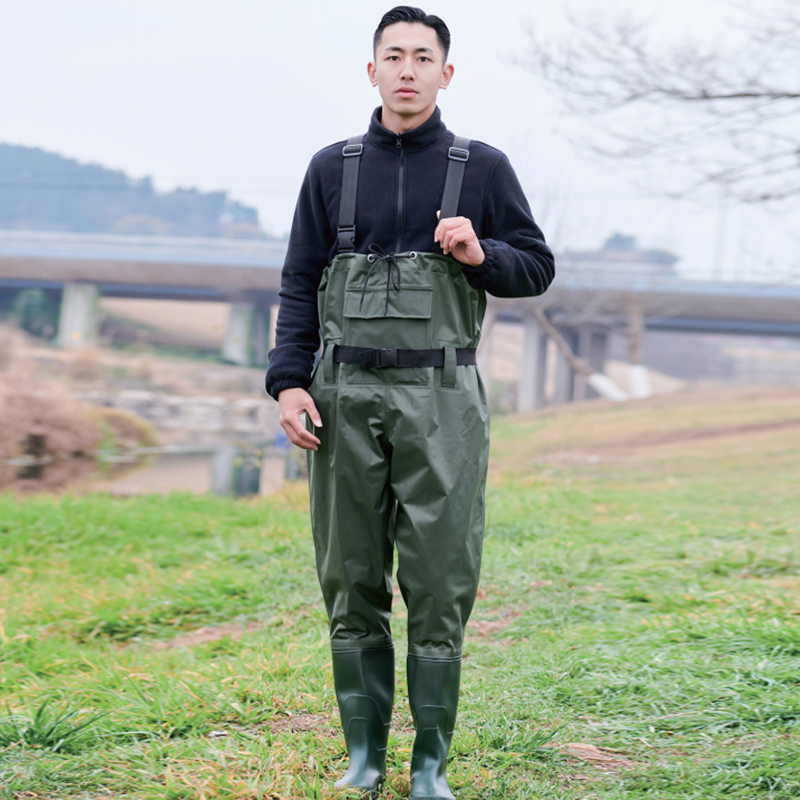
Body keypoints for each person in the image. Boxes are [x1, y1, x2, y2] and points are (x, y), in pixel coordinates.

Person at [265, 7, 554, 797]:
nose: (407, 69)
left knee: (439, 577)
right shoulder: (331, 168)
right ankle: (364, 758)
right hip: (343, 393)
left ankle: (430, 764)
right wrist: (288, 381)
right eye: (393, 55)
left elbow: (535, 267)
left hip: (441, 396)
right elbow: (298, 282)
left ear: (445, 74)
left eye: (423, 57)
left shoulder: (482, 168)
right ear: (372, 71)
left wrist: (479, 252)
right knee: (350, 572)